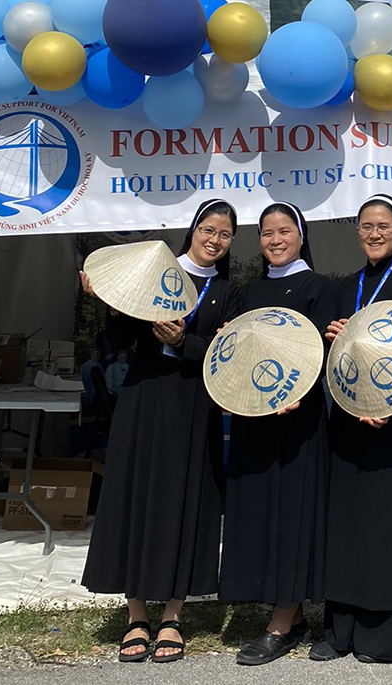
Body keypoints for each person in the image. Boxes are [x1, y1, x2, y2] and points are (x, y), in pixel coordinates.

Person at [80, 199, 241, 663]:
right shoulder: (157, 271)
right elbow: (116, 342)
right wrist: (107, 304)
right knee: (136, 495)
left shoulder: (227, 293)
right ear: (193, 230)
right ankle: (136, 614)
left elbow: (224, 352)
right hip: (144, 401)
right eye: (208, 229)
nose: (215, 240)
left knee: (185, 499)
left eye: (225, 234)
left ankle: (172, 614)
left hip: (195, 406)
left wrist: (183, 343)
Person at [219, 202, 338, 666]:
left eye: (283, 231)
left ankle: (283, 621)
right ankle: (278, 605)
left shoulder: (318, 287)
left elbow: (322, 352)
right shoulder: (249, 291)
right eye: (266, 233)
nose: (274, 240)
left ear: (301, 236)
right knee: (260, 514)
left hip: (297, 420)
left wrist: (299, 391)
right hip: (253, 420)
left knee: (292, 514)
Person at [310, 195, 392, 664]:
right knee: (348, 526)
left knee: (389, 527)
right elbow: (330, 356)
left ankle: (387, 633)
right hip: (349, 422)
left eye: (383, 226)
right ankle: (341, 629)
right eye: (366, 226)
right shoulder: (346, 287)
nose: (374, 233)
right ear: (357, 232)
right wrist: (333, 337)